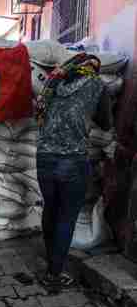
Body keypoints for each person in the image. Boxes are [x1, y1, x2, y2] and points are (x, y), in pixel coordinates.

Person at [35, 53, 113, 289]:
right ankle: (54, 275)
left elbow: (39, 113)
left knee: (51, 209)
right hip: (73, 159)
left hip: (44, 157)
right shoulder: (97, 84)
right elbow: (106, 123)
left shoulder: (53, 82)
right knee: (66, 217)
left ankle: (52, 261)